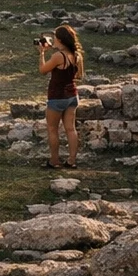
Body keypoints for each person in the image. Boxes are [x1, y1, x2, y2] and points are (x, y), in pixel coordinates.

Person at [39, 24, 84, 169]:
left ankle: (54, 161)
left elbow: (43, 70)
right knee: (70, 129)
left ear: (60, 40)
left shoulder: (59, 56)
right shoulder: (76, 55)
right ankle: (72, 160)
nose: (53, 41)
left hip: (57, 96)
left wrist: (41, 53)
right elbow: (78, 75)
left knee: (52, 129)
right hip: (72, 95)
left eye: (55, 38)